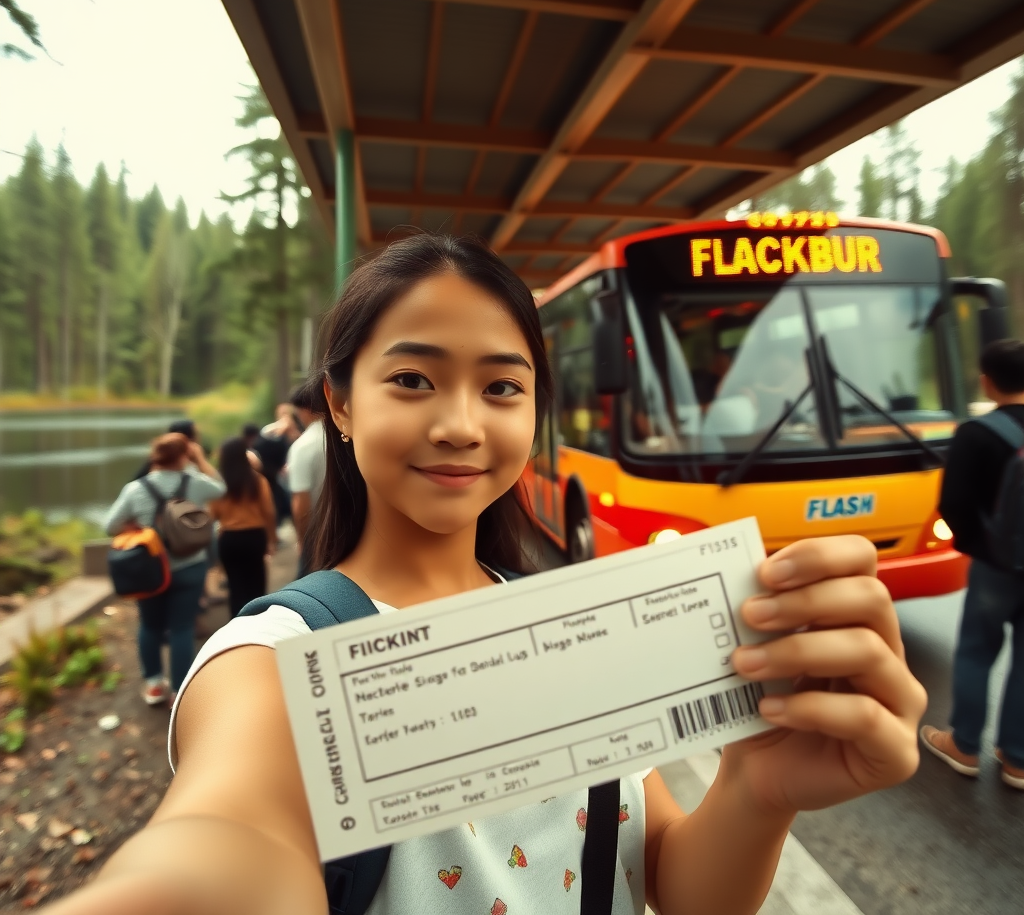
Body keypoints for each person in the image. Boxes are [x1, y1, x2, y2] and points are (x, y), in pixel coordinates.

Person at [53, 234, 924, 915]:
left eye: (502, 387)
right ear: (342, 403)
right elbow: (228, 829)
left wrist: (758, 789)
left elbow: (678, 887)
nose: (462, 424)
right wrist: (180, 882)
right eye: (412, 379)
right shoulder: (278, 657)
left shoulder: (568, 631)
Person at [922, 338, 1024, 789]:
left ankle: (964, 745)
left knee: (976, 651)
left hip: (996, 565)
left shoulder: (976, 435)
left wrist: (978, 544)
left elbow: (953, 504)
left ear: (987, 381)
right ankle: (1018, 759)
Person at [104, 432, 225, 707]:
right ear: (184, 455)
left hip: (150, 569)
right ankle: (178, 694)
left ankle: (154, 686)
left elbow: (110, 525)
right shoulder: (194, 481)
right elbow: (220, 489)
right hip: (190, 566)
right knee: (182, 628)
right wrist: (200, 460)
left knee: (149, 625)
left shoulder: (136, 488)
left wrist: (137, 527)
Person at [208, 438, 277, 618]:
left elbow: (212, 514)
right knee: (256, 585)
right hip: (254, 537)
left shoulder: (218, 483)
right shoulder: (257, 480)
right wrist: (271, 538)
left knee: (235, 587)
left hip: (229, 539)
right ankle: (258, 626)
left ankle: (237, 626)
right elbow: (269, 512)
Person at [286, 382, 326, 576]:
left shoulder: (303, 447)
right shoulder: (347, 438)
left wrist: (302, 538)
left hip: (317, 530)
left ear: (306, 410)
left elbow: (301, 502)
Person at [251, 404, 301, 525]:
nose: (285, 417)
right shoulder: (270, 429)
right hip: (280, 474)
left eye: (287, 414)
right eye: (282, 414)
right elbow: (262, 444)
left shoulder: (298, 429)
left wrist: (291, 431)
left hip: (296, 469)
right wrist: (280, 430)